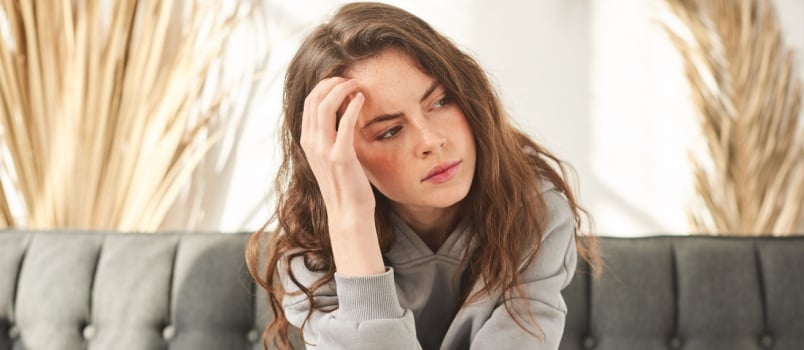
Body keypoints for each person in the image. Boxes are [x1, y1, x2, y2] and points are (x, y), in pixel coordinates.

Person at [246, 2, 600, 349]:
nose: (432, 141)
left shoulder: (535, 210)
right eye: (389, 131)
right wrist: (352, 224)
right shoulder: (311, 248)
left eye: (441, 102)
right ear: (337, 155)